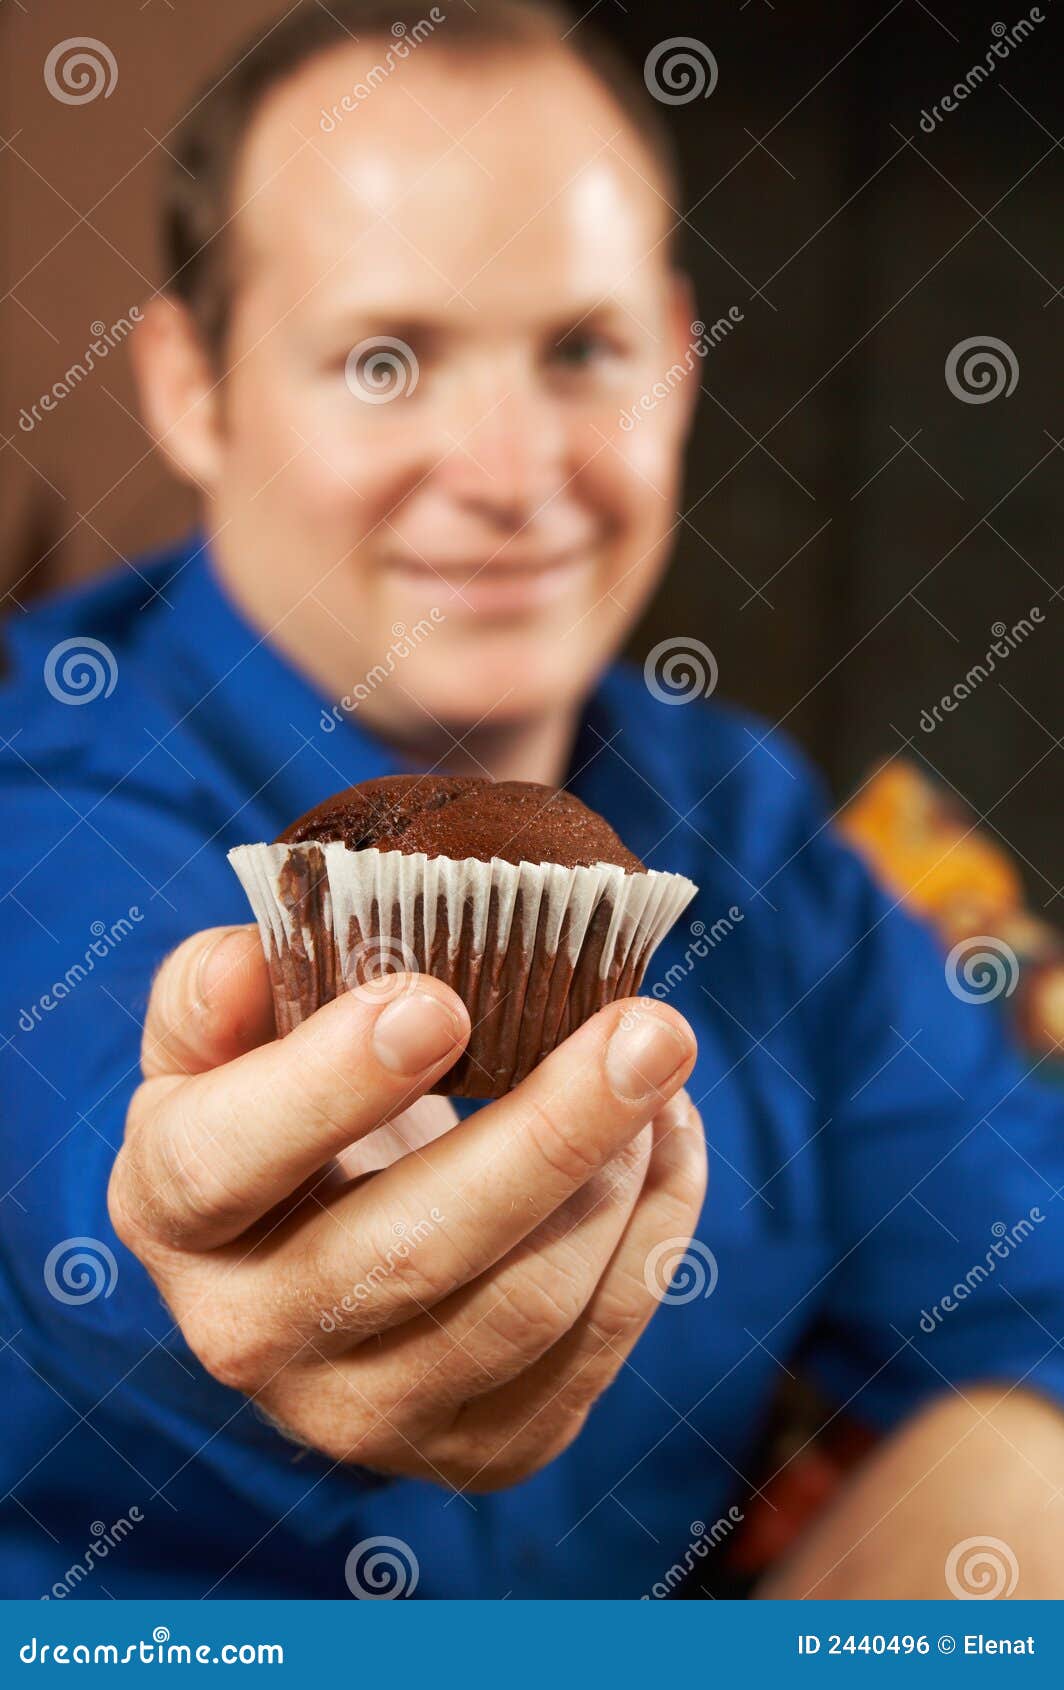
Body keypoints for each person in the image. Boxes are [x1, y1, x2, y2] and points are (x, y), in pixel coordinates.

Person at [2, 0, 1063, 1602]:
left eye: (581, 349)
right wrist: (213, 1253)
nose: (510, 472)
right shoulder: (47, 791)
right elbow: (99, 1148)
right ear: (192, 386)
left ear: (680, 361)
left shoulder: (753, 825)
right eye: (386, 358)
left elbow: (1023, 1288)